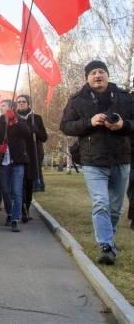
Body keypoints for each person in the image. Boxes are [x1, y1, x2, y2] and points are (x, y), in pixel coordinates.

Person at [60, 61, 134, 265]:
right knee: (101, 203)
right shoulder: (76, 100)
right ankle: (106, 245)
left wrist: (122, 124)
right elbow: (65, 126)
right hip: (93, 160)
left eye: (101, 71)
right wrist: (89, 122)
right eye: (93, 72)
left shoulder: (125, 97)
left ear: (108, 75)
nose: (97, 75)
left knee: (116, 207)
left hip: (121, 158)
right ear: (87, 78)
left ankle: (108, 240)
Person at [0, 100, 30, 233]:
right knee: (5, 191)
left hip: (17, 161)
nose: (0, 108)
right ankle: (9, 213)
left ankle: (15, 219)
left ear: (11, 108)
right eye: (0, 106)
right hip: (4, 162)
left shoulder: (19, 120)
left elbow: (26, 134)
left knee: (16, 191)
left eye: (3, 106)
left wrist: (14, 119)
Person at [15, 95, 48, 222]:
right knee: (20, 184)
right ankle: (22, 210)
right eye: (19, 102)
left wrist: (37, 131)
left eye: (23, 102)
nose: (21, 104)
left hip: (33, 155)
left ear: (28, 103)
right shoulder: (15, 117)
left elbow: (44, 137)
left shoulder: (36, 118)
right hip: (19, 154)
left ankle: (27, 209)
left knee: (29, 184)